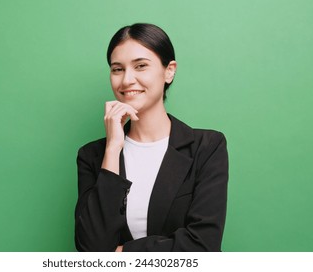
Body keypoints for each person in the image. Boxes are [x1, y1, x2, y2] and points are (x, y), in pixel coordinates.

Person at [74, 23, 229, 252]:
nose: (126, 80)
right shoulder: (92, 155)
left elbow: (204, 245)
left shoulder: (206, 148)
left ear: (169, 71)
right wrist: (113, 148)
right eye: (117, 69)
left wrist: (124, 253)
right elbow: (91, 249)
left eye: (141, 66)